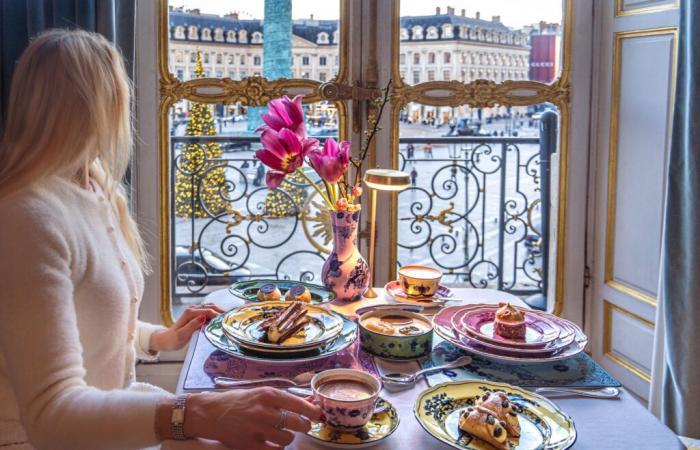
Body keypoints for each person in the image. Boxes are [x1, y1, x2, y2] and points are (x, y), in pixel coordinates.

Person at [0, 29, 320, 450]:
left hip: (109, 425)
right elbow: (50, 415)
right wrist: (201, 414)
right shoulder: (26, 219)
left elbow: (83, 319)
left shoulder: (95, 188)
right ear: (100, 105)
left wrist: (156, 338)